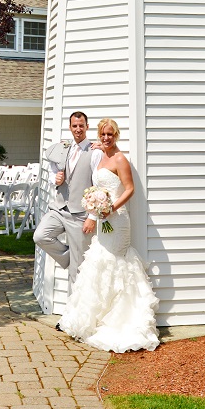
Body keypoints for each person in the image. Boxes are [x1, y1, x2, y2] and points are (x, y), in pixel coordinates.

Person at [58, 117, 159, 352]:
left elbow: (130, 189)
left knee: (117, 263)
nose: (106, 138)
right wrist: (95, 206)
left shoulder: (120, 158)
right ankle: (96, 317)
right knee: (100, 261)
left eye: (110, 135)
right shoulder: (101, 155)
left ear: (116, 135)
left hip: (118, 219)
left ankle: (120, 319)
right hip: (103, 220)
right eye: (102, 134)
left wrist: (110, 208)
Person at [34, 111, 101, 293]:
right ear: (70, 127)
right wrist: (55, 178)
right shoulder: (63, 148)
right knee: (40, 236)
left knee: (77, 271)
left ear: (87, 127)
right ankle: (70, 257)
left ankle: (71, 316)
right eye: (74, 126)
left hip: (80, 214)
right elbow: (52, 169)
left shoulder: (95, 152)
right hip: (59, 207)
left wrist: (92, 217)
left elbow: (98, 184)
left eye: (81, 126)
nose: (78, 129)